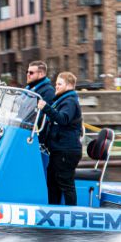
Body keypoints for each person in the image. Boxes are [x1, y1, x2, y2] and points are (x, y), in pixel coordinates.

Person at [37, 71, 83, 206]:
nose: (56, 86)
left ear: (68, 85)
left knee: (65, 184)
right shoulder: (62, 100)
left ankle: (71, 214)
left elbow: (63, 119)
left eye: (59, 84)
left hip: (66, 151)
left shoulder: (70, 101)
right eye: (56, 84)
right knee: (52, 183)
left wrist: (46, 107)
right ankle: (54, 211)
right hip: (59, 149)